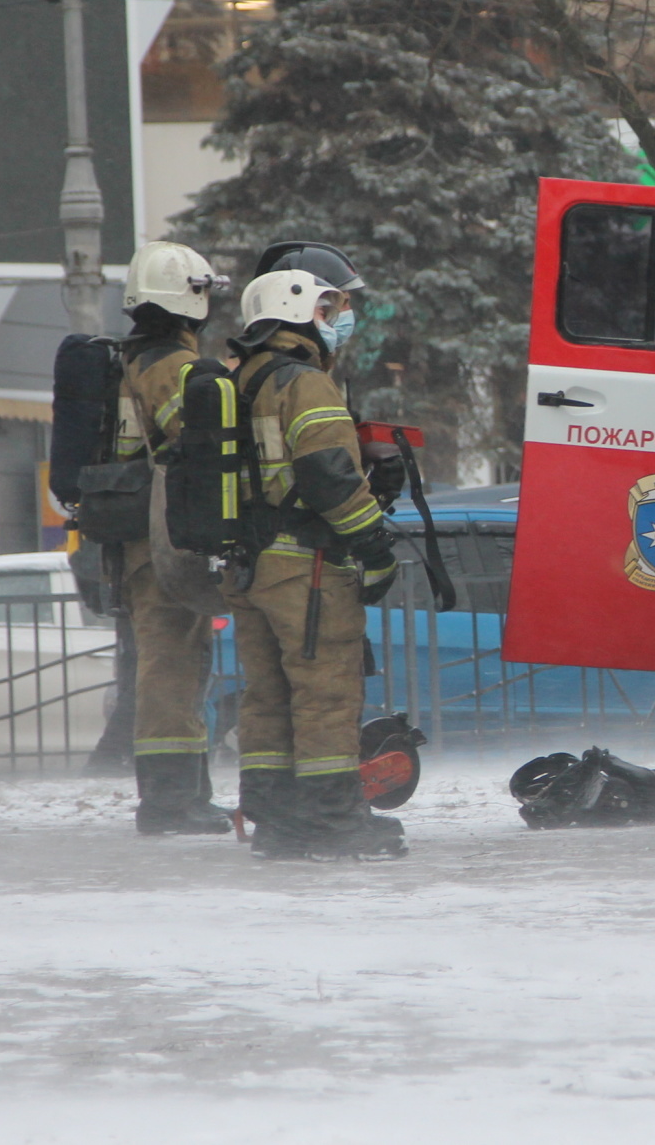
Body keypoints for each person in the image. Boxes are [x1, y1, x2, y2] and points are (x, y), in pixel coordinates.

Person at [224, 268, 403, 860]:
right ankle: (332, 822)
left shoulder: (242, 379)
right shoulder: (303, 382)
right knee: (325, 692)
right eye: (326, 311)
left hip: (249, 568)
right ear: (295, 311)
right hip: (306, 566)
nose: (335, 323)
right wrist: (375, 549)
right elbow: (328, 474)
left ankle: (278, 821)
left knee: (269, 695)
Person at [113, 241, 234, 834]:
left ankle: (183, 794)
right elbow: (198, 448)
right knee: (172, 665)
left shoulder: (131, 359)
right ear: (192, 297)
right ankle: (169, 800)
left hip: (138, 535)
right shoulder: (172, 369)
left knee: (173, 662)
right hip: (159, 538)